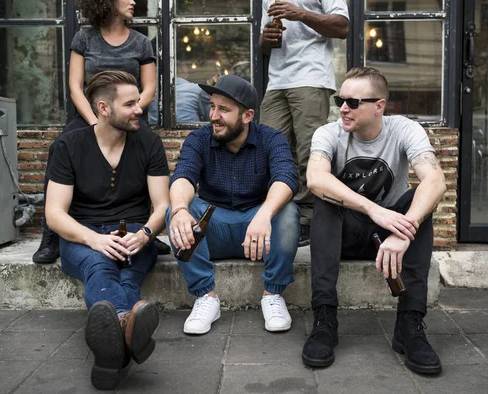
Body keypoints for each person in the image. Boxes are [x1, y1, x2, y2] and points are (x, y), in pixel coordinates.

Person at [302, 67, 446, 375]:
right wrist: (373, 209)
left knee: (419, 200)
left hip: (390, 234)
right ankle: (324, 319)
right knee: (326, 201)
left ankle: (409, 325)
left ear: (379, 106)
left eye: (353, 102)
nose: (342, 107)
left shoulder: (404, 129)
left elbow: (435, 180)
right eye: (340, 99)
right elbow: (315, 179)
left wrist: (405, 230)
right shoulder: (329, 133)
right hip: (345, 234)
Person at [45, 71, 170, 389]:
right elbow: (54, 214)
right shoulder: (70, 145)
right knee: (100, 264)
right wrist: (94, 239)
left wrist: (143, 235)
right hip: (82, 236)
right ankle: (127, 328)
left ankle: (112, 347)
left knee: (128, 273)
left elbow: (163, 207)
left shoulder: (148, 142)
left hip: (135, 235)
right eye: (130, 103)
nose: (140, 108)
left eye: (138, 100)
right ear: (103, 108)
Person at [33, 0, 171, 263]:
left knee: (143, 149)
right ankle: (51, 235)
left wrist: (129, 110)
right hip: (91, 114)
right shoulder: (84, 38)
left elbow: (150, 88)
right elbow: (75, 87)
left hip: (128, 113)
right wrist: (97, 122)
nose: (133, 1)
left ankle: (145, 231)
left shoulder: (141, 42)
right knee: (59, 146)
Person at [167, 75, 300, 335]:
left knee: (287, 211)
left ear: (248, 115)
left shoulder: (271, 138)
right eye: (212, 106)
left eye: (224, 110)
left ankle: (272, 295)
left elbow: (287, 178)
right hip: (213, 230)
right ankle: (206, 297)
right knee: (176, 210)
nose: (214, 116)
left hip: (260, 236)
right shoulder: (199, 139)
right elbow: (183, 175)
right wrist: (180, 210)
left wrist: (264, 213)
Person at [260, 0, 349, 246]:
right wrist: (265, 38)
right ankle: (278, 213)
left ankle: (308, 220)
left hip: (310, 76)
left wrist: (300, 14)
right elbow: (265, 47)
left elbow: (342, 27)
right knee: (268, 149)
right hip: (277, 80)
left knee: (309, 152)